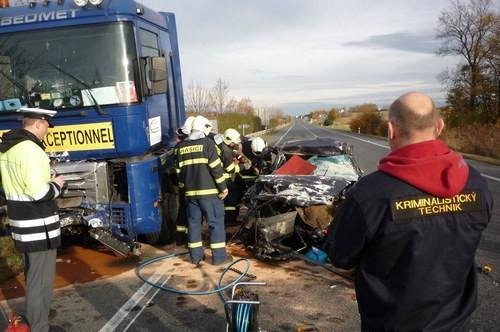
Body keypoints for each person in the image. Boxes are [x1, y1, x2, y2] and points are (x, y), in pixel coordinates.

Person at [326, 92, 492, 331]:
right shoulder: (476, 183)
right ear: (440, 126)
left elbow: (340, 256)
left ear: (391, 130)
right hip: (458, 325)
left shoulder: (370, 194)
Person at [0, 107, 65, 332]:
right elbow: (39, 193)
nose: (47, 130)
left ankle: (37, 321)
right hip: (40, 226)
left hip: (21, 225)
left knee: (33, 276)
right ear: (38, 123)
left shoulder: (8, 149)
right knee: (41, 282)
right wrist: (57, 184)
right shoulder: (32, 151)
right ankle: (39, 327)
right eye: (47, 125)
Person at [175, 115, 231, 265]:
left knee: (193, 225)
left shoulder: (180, 147)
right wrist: (223, 188)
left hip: (190, 195)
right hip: (210, 194)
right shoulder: (207, 144)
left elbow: (179, 173)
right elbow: (216, 170)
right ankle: (219, 258)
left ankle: (196, 257)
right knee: (216, 225)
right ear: (205, 128)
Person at [172, 116, 195, 245]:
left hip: (182, 184)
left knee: (182, 210)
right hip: (191, 185)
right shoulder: (190, 146)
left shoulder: (178, 147)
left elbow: (177, 168)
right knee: (192, 213)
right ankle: (189, 238)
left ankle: (180, 238)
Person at [219, 128, 244, 225]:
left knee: (227, 200)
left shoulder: (224, 147)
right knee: (231, 198)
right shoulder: (226, 150)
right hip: (224, 178)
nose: (236, 144)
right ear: (229, 140)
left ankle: (227, 220)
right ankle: (229, 220)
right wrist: (242, 166)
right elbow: (230, 169)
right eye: (234, 142)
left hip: (222, 178)